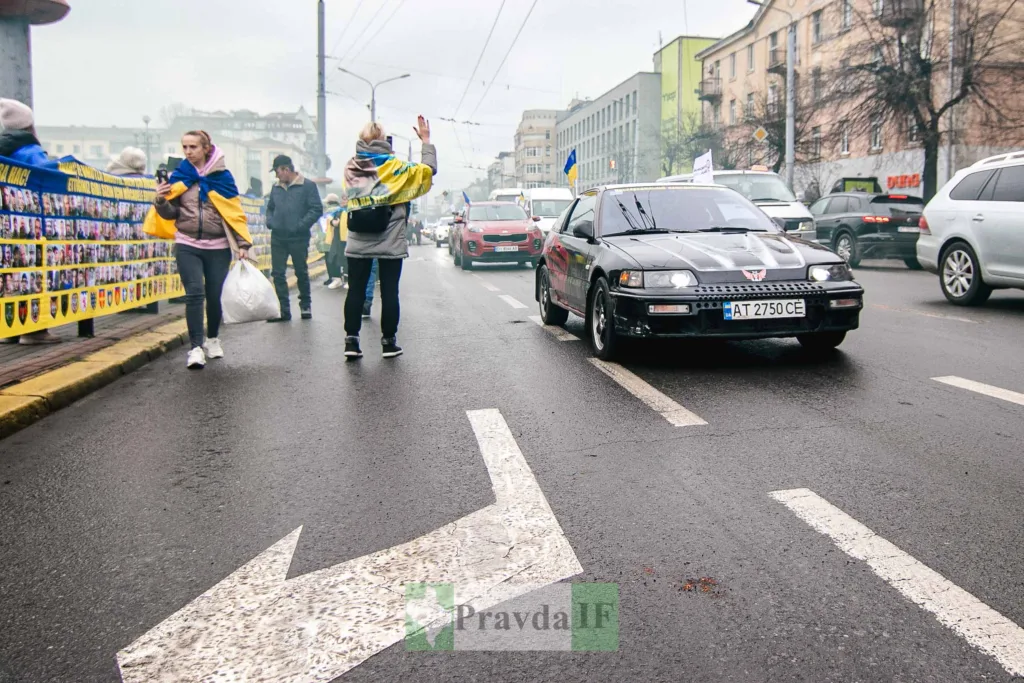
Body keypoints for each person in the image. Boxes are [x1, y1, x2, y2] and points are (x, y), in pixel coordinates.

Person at [148, 130, 253, 370]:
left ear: (206, 148)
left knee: (214, 295)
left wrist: (243, 245)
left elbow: (234, 213)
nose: (188, 152)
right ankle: (195, 348)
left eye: (193, 147)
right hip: (187, 243)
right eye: (184, 147)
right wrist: (161, 201)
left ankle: (213, 338)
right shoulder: (180, 176)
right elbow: (171, 214)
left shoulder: (223, 177)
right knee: (194, 293)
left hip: (218, 246)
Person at [341, 116, 436, 359]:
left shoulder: (351, 167)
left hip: (358, 237)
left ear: (362, 140)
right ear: (384, 141)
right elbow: (427, 171)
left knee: (356, 291)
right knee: (390, 291)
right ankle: (388, 343)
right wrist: (425, 140)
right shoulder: (395, 168)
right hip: (390, 237)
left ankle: (351, 342)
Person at [0, 99, 59, 345]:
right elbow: (47, 179)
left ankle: (9, 329)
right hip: (30, 224)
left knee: (9, 275)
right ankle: (34, 331)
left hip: (6, 225)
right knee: (33, 275)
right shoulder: (28, 149)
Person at [265, 155, 322, 322]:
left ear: (286, 170)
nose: (276, 176)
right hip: (278, 237)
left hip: (298, 237)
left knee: (301, 271)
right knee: (278, 274)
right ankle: (284, 310)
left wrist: (300, 226)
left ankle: (305, 305)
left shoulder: (308, 186)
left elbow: (316, 209)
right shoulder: (275, 188)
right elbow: (270, 208)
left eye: (277, 172)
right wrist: (270, 222)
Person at [318, 193, 346, 289]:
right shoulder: (341, 210)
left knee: (330, 260)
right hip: (341, 239)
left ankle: (334, 278)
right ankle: (343, 278)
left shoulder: (326, 213)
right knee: (341, 259)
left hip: (328, 240)